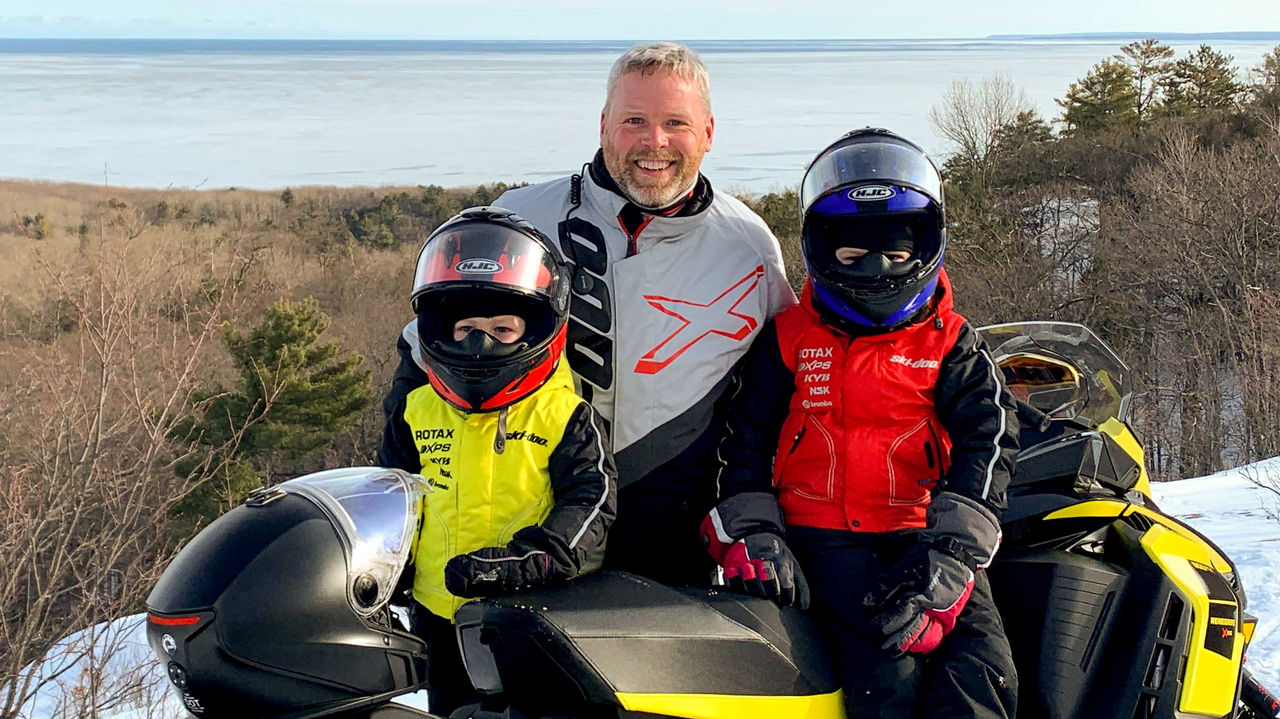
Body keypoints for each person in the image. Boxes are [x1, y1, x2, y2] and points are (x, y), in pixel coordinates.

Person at [382, 42, 795, 587]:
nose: (655, 142)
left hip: (674, 540)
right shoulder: (520, 219)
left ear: (709, 133)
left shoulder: (747, 244)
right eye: (634, 121)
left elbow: (782, 392)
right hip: (521, 536)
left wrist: (756, 523)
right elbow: (424, 358)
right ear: (603, 125)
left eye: (676, 122)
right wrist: (393, 516)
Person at [701, 129, 1019, 718]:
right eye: (853, 255)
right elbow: (739, 437)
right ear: (824, 250)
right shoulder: (790, 337)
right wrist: (752, 531)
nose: (874, 267)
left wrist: (954, 554)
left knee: (983, 673)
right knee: (886, 676)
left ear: (923, 248)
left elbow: (992, 439)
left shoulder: (950, 343)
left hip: (922, 531)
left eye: (893, 254)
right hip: (822, 536)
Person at [377, 207, 616, 715]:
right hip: (438, 612)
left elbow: (592, 502)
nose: (481, 342)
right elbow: (389, 498)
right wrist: (381, 573)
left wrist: (538, 558)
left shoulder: (564, 414)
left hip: (535, 612)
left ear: (535, 326)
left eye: (503, 329)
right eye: (466, 329)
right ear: (441, 328)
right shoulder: (415, 410)